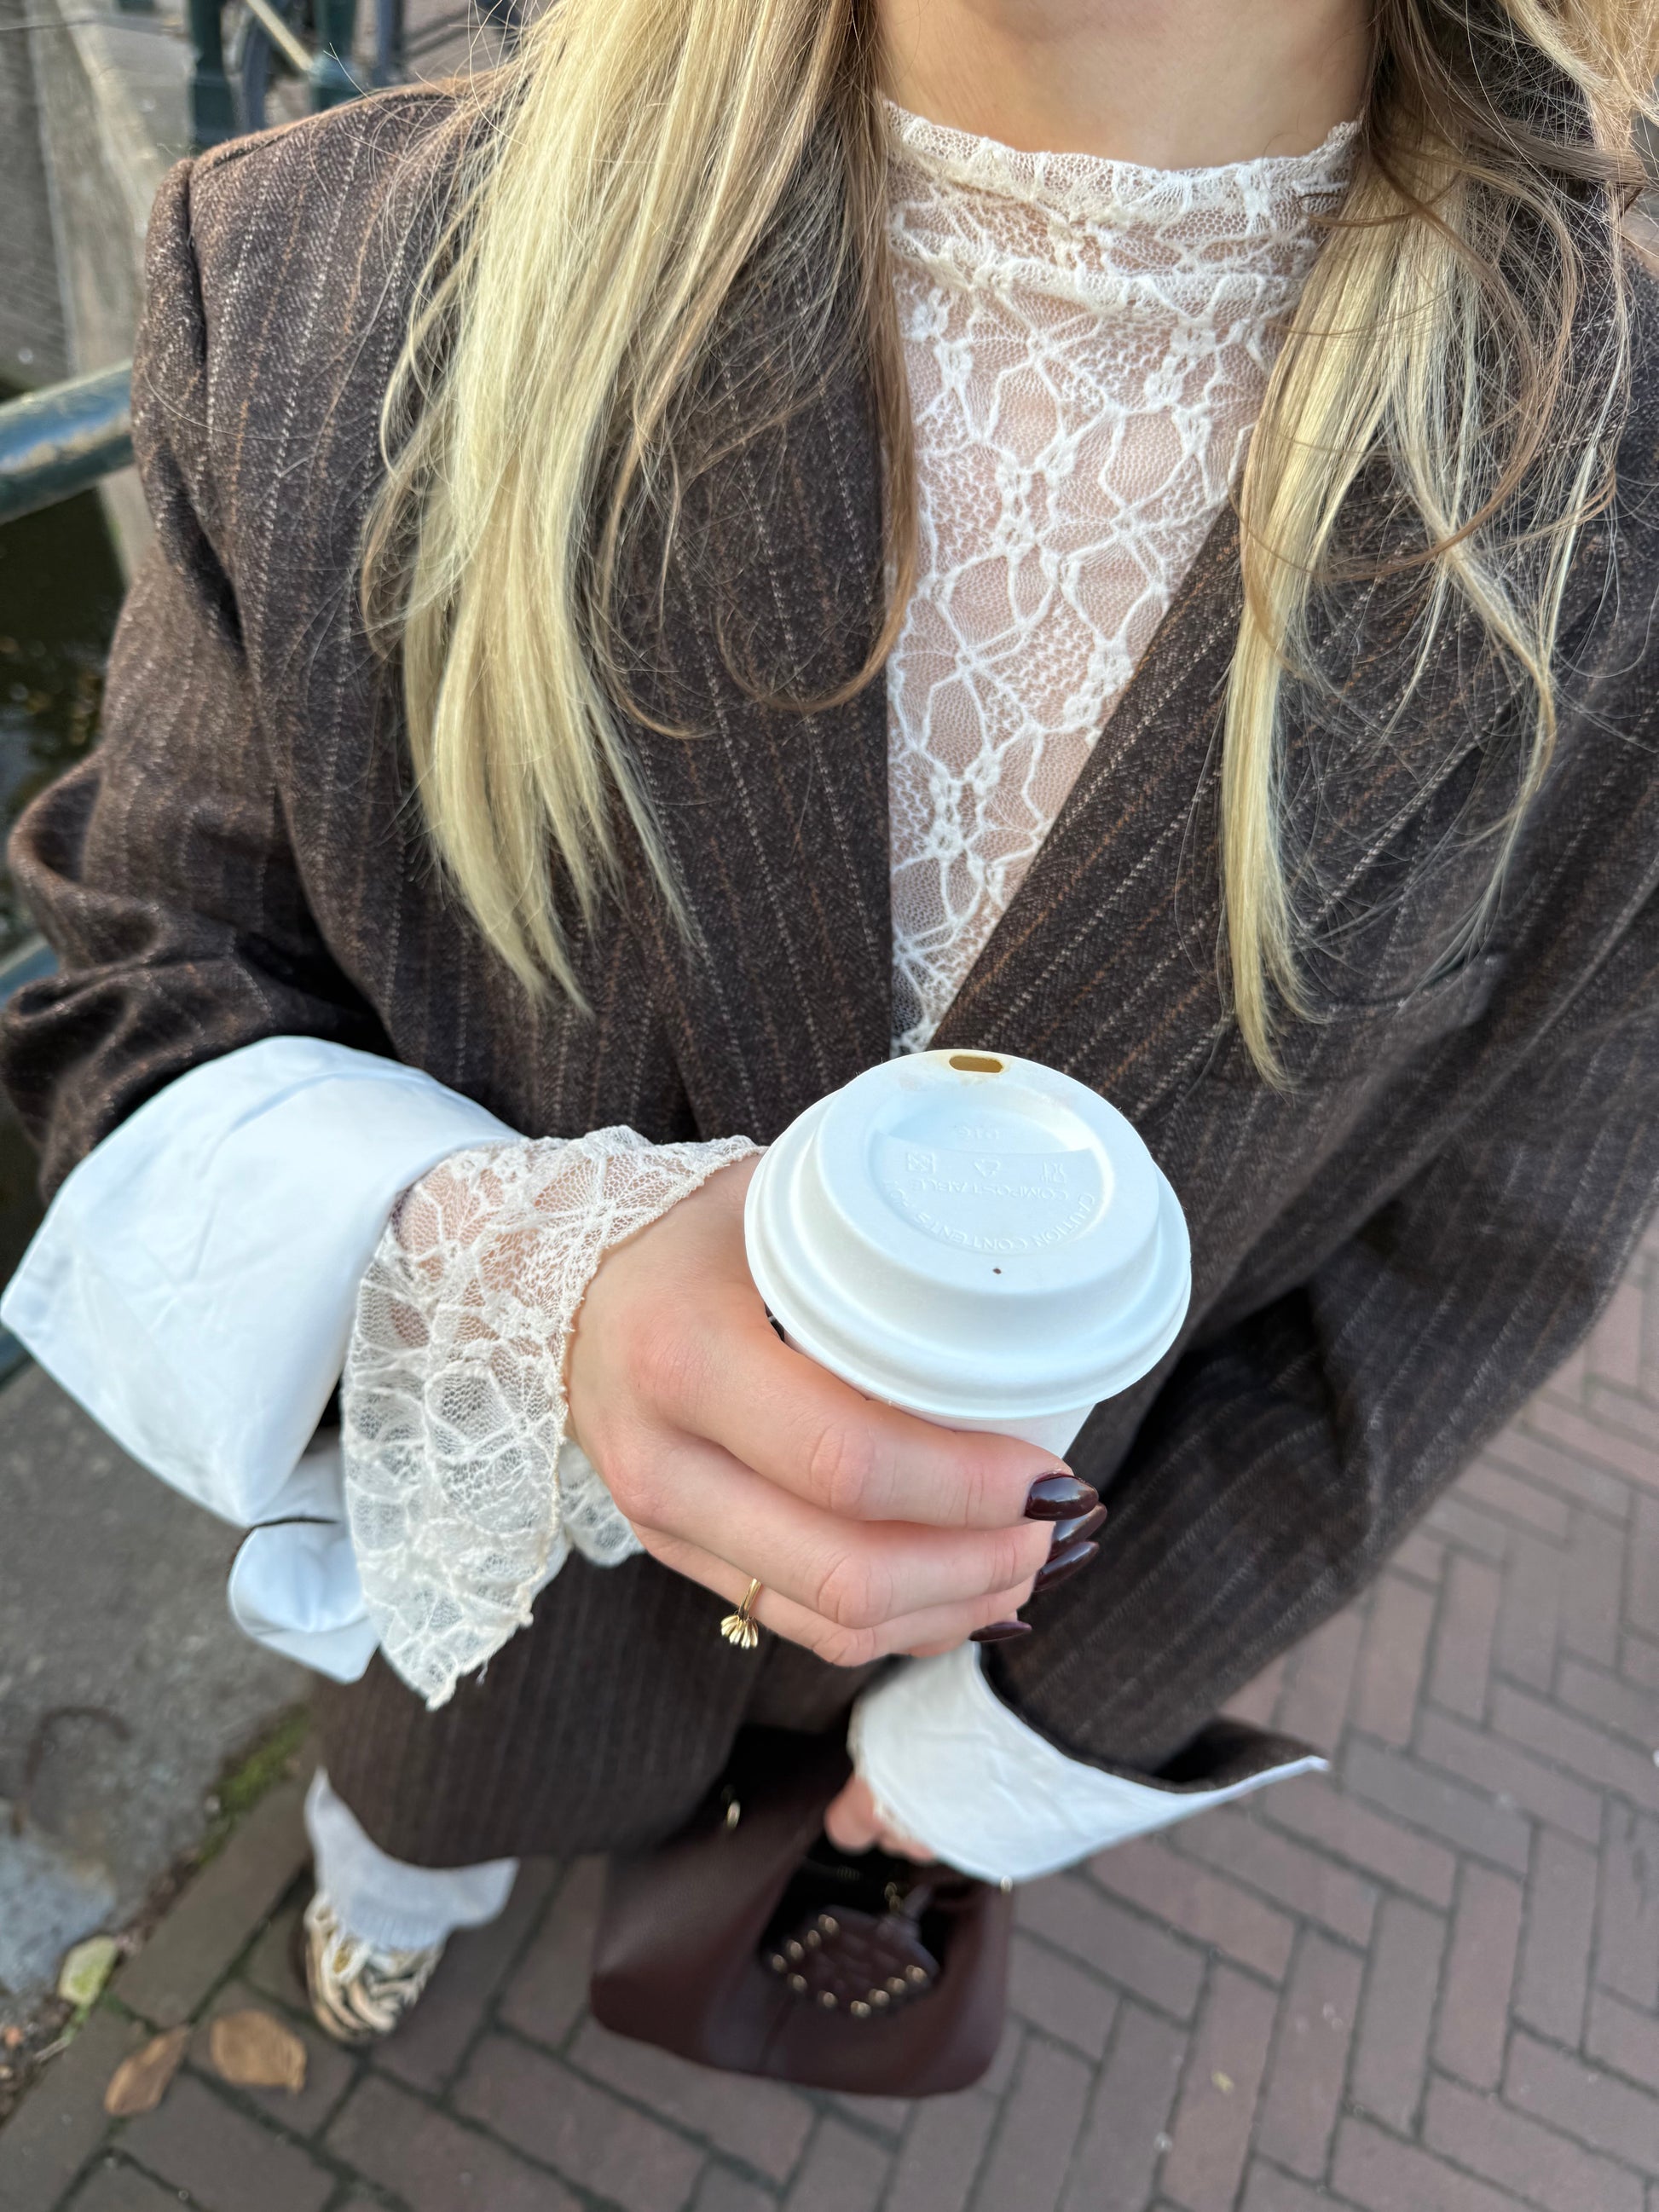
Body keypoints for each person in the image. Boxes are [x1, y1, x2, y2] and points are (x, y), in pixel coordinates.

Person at [3, 0, 1657, 2052]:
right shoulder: (316, 286)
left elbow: (1475, 1262)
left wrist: (1022, 1734)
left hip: (958, 1643)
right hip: (487, 1608)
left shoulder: (1619, 510)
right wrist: (516, 1285)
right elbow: (147, 988)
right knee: (415, 1813)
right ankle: (394, 1894)